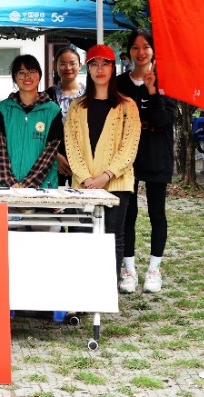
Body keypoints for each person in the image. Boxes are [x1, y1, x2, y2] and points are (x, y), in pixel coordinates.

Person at [64, 44, 141, 284]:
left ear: (113, 68)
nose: (100, 69)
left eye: (105, 64)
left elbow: (129, 146)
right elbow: (71, 145)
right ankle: (83, 286)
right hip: (83, 183)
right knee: (81, 233)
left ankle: (108, 289)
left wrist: (106, 176)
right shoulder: (77, 107)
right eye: (94, 64)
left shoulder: (127, 106)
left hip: (116, 183)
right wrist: (86, 178)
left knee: (112, 236)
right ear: (87, 69)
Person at [116, 28, 176, 293]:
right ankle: (129, 270)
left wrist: (152, 92)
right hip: (126, 158)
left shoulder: (166, 83)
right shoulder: (119, 84)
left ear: (153, 50)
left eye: (146, 47)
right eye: (135, 47)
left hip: (157, 155)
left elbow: (164, 121)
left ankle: (154, 270)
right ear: (129, 51)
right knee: (127, 214)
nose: (141, 52)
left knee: (157, 214)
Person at [0, 54, 63, 190]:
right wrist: (11, 183)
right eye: (21, 73)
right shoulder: (3, 109)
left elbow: (50, 153)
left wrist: (26, 185)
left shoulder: (52, 110)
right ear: (14, 77)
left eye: (32, 71)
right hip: (6, 188)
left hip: (41, 187)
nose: (27, 77)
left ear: (40, 75)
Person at [45, 45, 85, 188]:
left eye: (72, 63)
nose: (68, 67)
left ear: (80, 65)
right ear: (55, 67)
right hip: (54, 157)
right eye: (62, 63)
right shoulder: (47, 96)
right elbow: (41, 130)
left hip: (83, 159)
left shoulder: (89, 95)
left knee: (82, 199)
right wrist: (54, 155)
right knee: (53, 197)